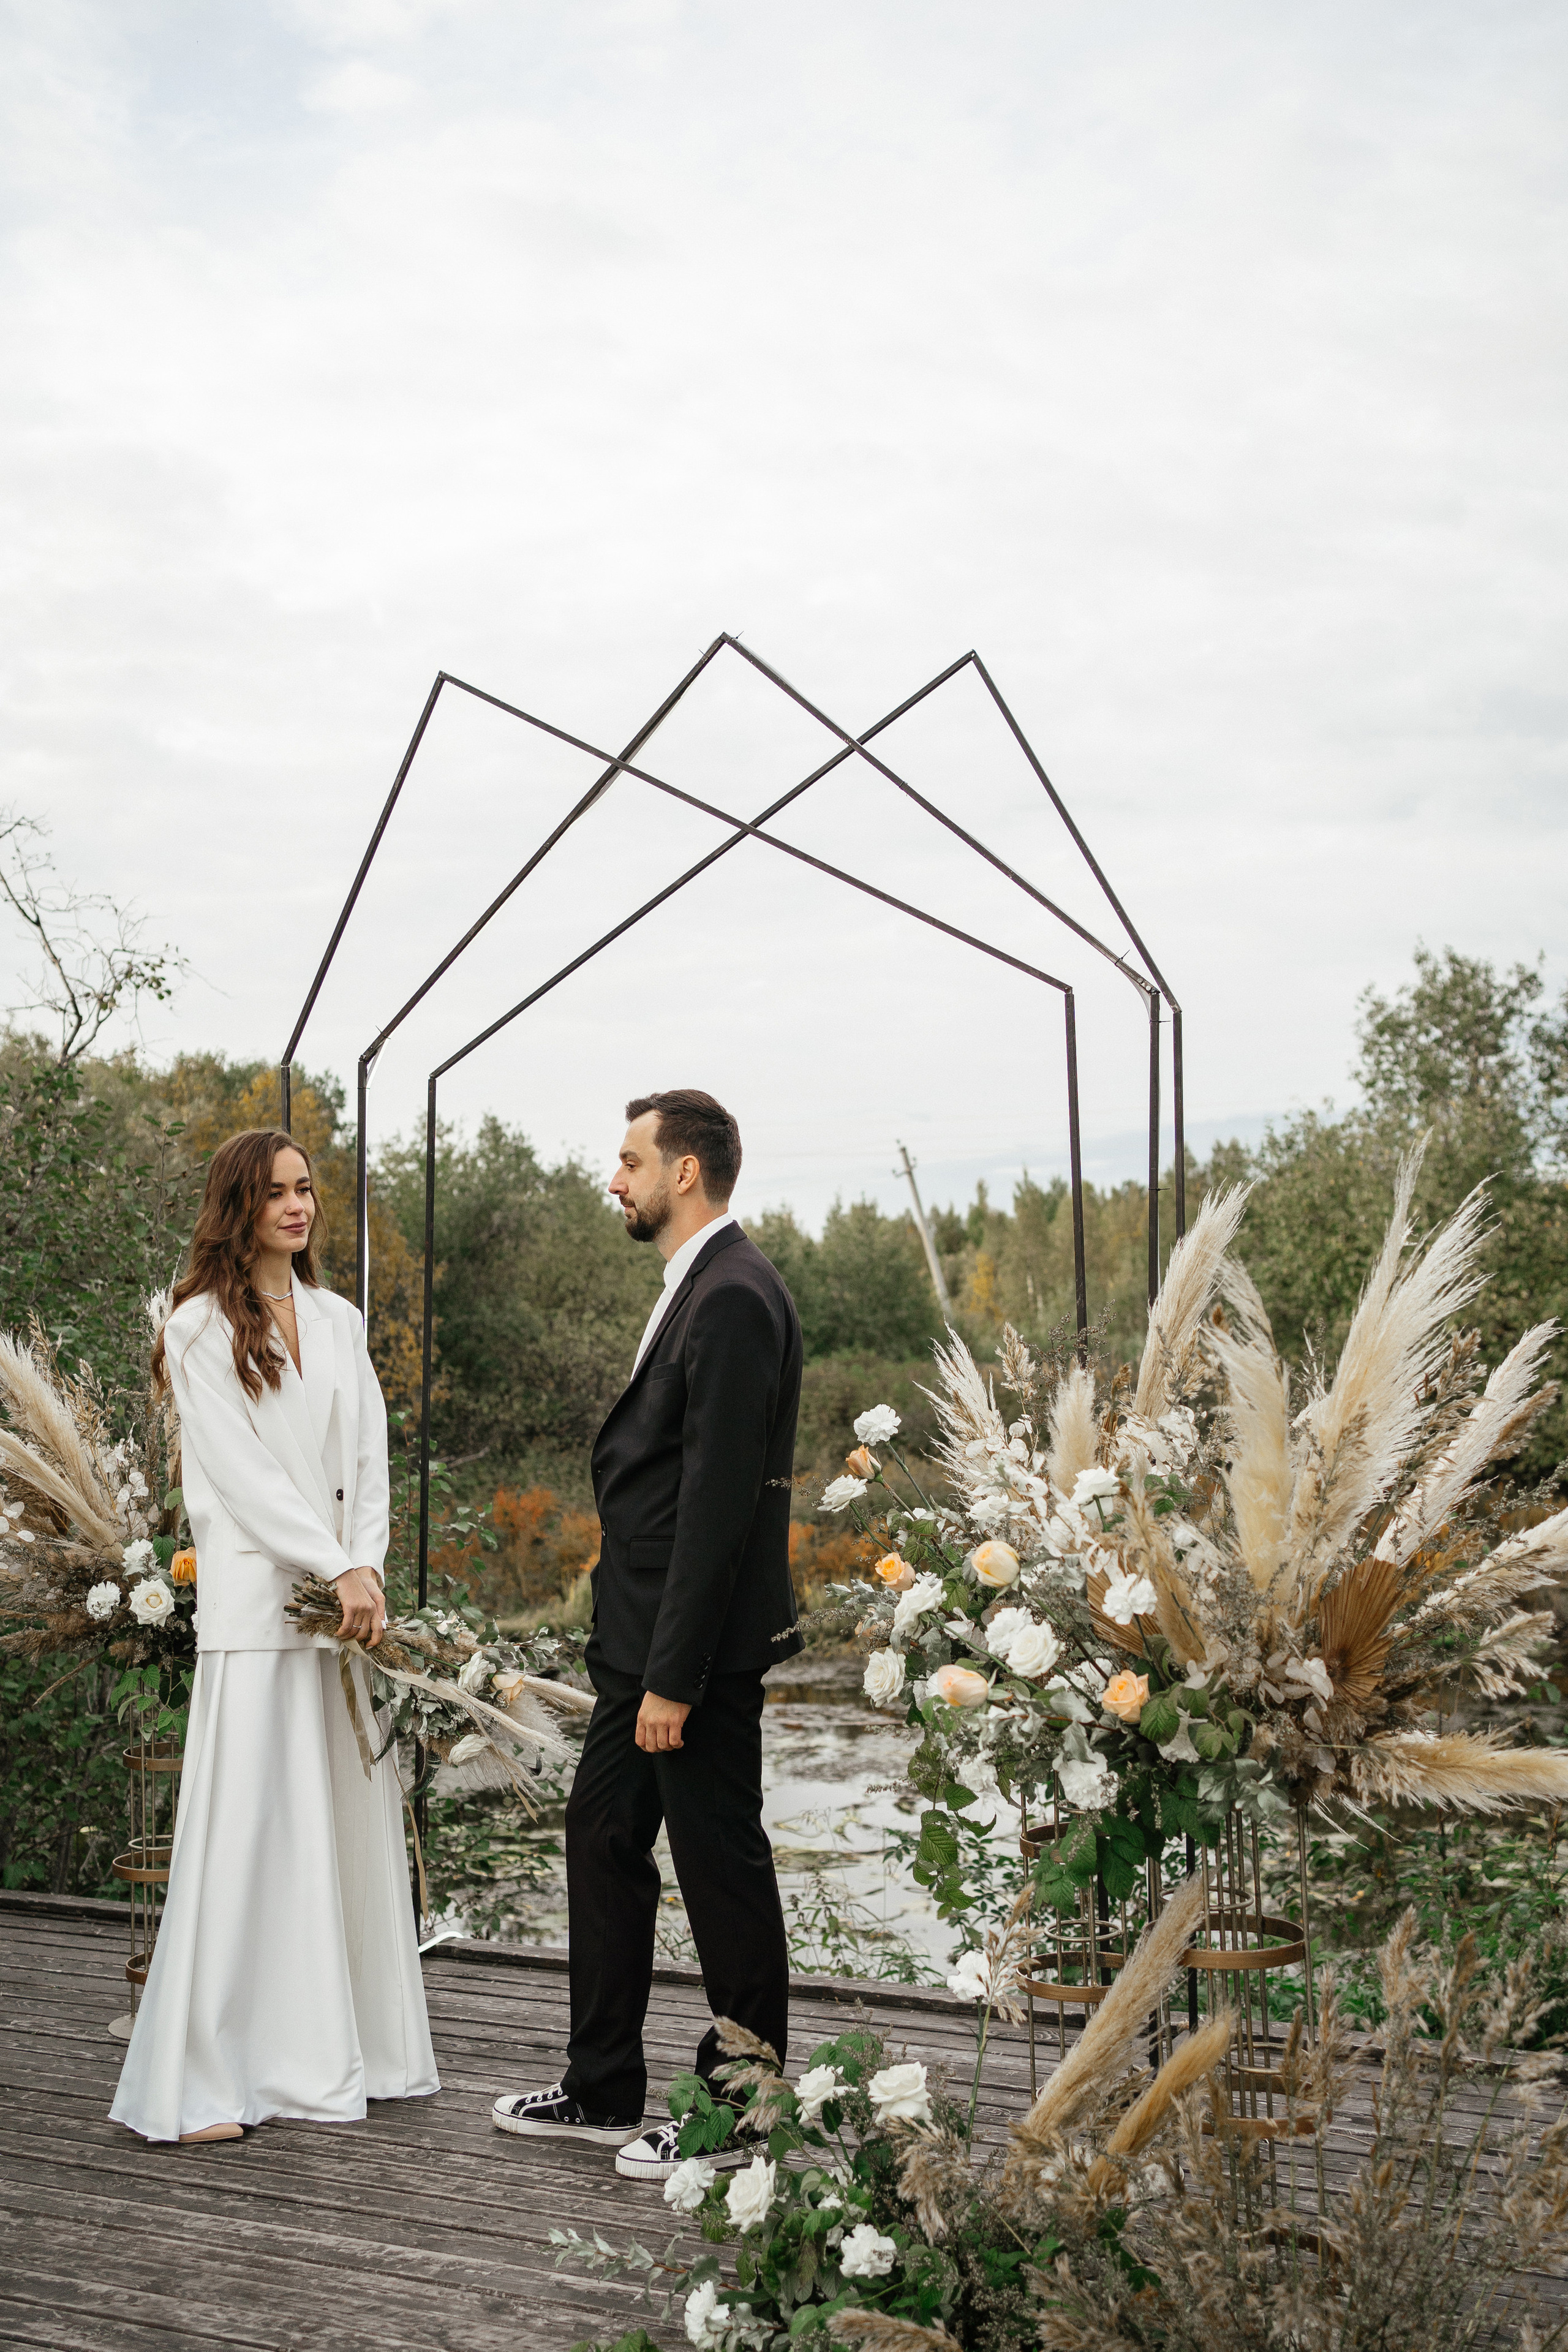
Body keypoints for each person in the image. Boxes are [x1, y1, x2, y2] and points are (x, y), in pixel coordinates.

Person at [491, 1089, 802, 2180]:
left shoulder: (732, 1297)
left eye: (629, 1161)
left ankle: (742, 2113)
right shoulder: (696, 1288)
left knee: (720, 1865)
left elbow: (719, 1506)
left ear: (684, 1172)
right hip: (639, 1646)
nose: (612, 1180)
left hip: (692, 1654)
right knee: (603, 1839)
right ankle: (602, 2087)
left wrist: (675, 1678)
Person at [110, 1128, 438, 2143]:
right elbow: (240, 1475)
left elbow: (373, 1455)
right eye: (278, 1193)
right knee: (247, 1835)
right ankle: (200, 2082)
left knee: (339, 1831)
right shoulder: (199, 1327)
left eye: (307, 1191)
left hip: (341, 1609)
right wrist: (326, 1560)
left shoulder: (339, 1320)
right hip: (259, 1608)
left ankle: (346, 2055)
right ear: (239, 1207)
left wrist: (367, 1564)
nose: (299, 1207)